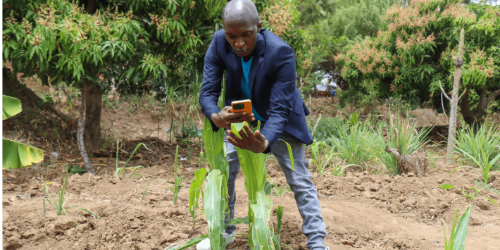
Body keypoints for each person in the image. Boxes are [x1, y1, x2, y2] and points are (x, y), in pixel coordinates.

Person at [198, 0, 328, 249]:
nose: (238, 43)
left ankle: (317, 241)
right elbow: (207, 93)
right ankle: (225, 232)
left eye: (246, 35)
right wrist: (216, 116)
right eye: (231, 36)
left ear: (259, 26)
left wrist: (265, 141)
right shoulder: (217, 43)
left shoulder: (281, 52)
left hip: (282, 121)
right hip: (241, 120)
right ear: (224, 30)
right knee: (226, 171)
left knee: (299, 178)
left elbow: (280, 110)